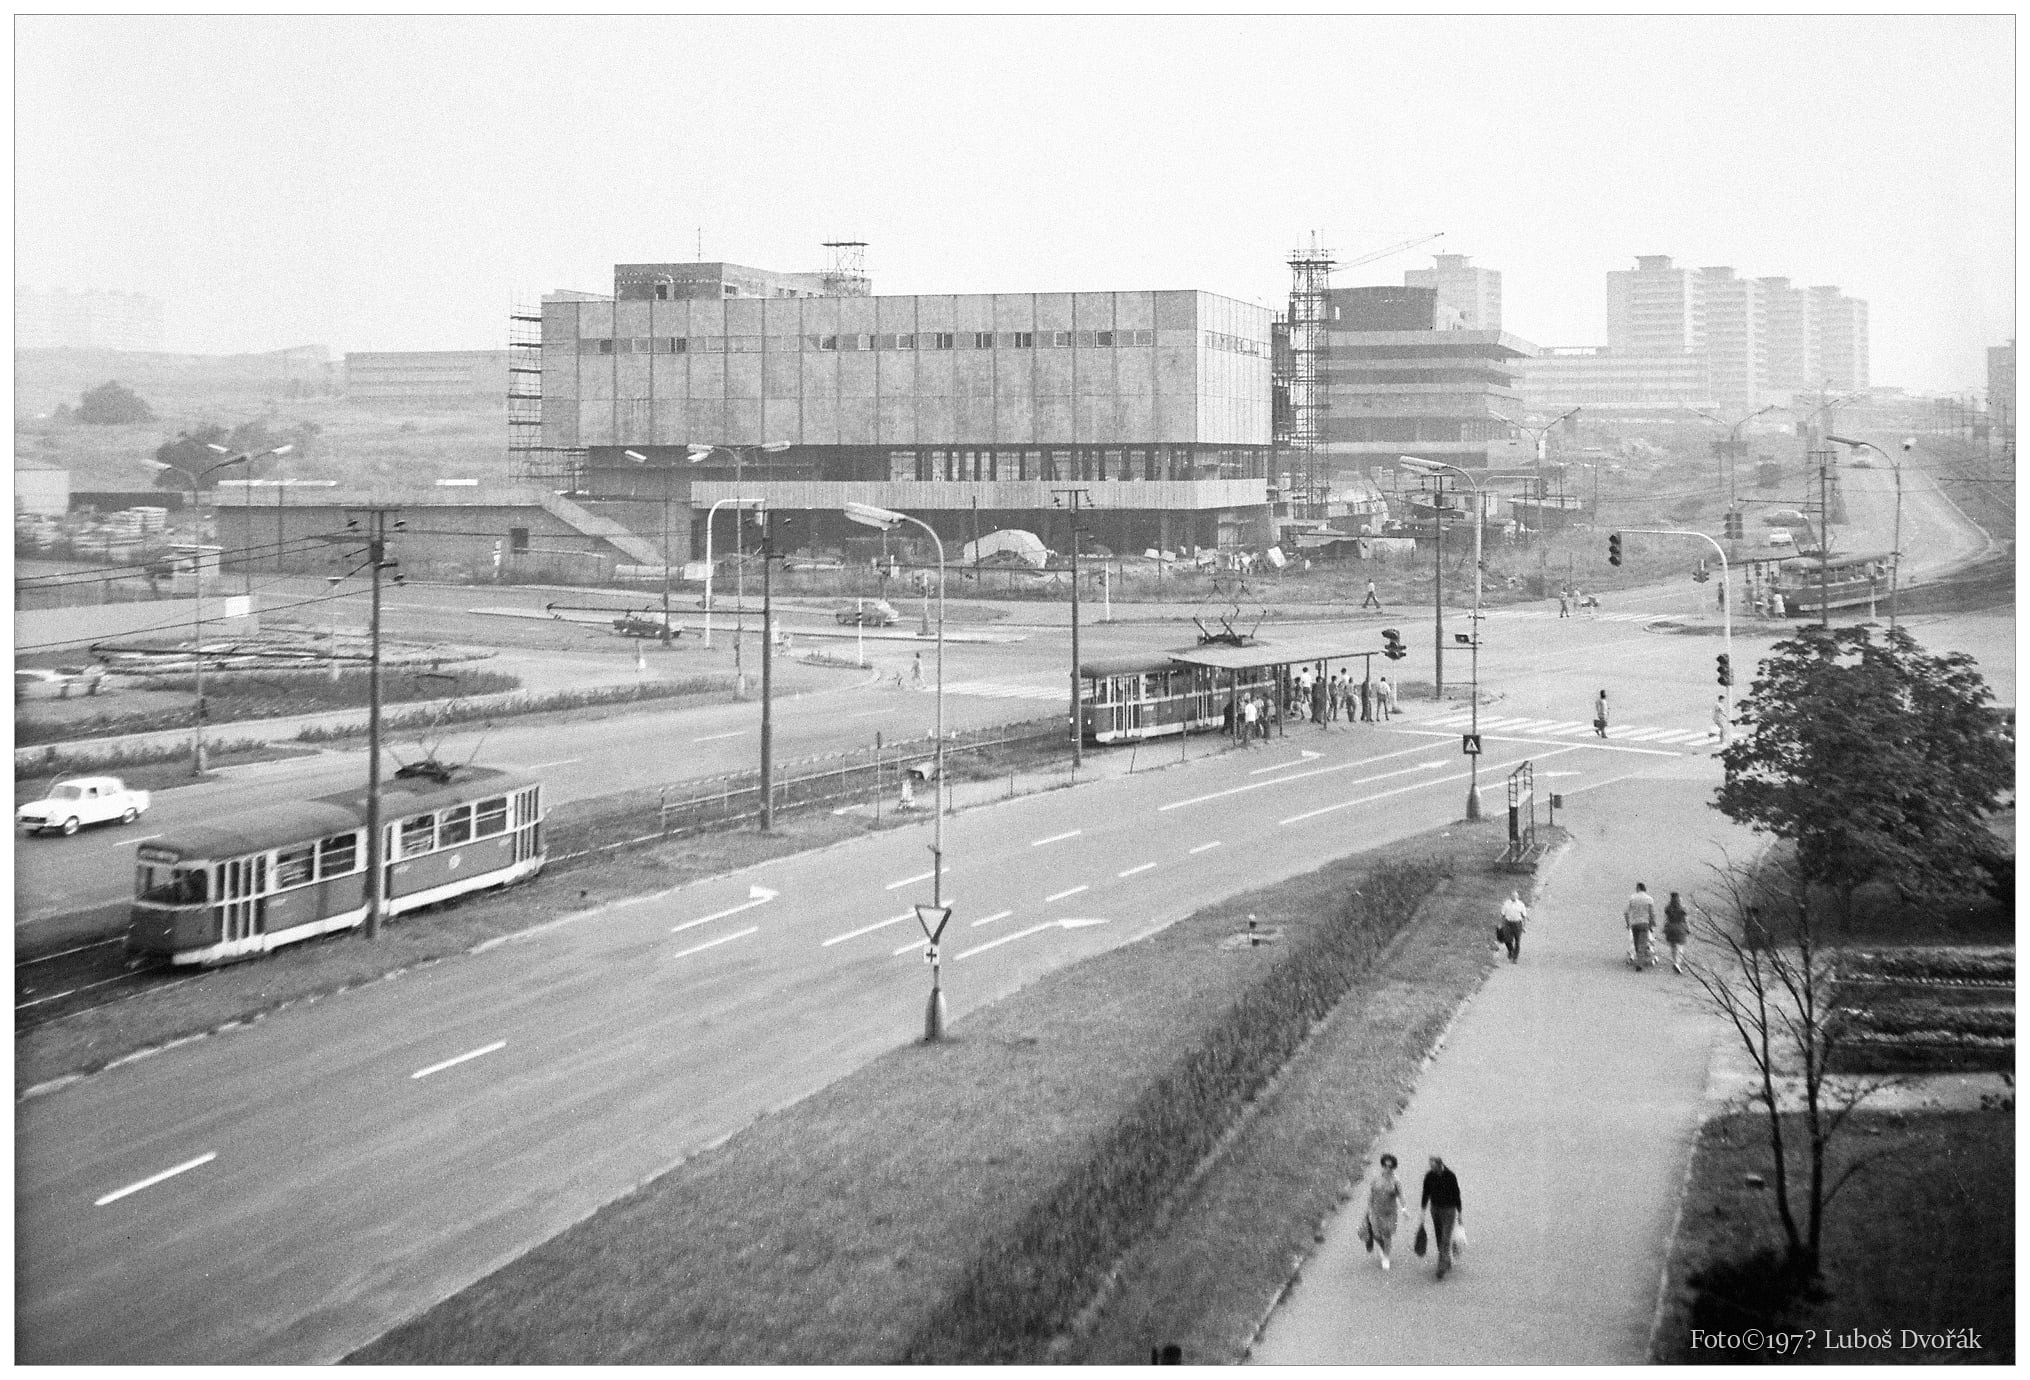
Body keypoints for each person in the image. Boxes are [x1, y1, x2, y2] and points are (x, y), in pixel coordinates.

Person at [1420, 1155, 1464, 1280]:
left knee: (1445, 1237)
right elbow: (1426, 1193)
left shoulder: (1450, 1176)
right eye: (1431, 1167)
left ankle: (1441, 1266)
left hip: (1449, 1210)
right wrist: (1423, 1210)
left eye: (1434, 1167)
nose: (1432, 1169)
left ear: (1440, 1165)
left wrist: (1459, 1212)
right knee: (1439, 1235)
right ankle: (1446, 1258)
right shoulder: (1429, 1176)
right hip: (1435, 1209)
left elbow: (1456, 1193)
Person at [1361, 1154, 1406, 1271]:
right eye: (1385, 1166)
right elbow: (1371, 1194)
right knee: (1375, 1234)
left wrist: (1404, 1209)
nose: (1387, 1168)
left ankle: (1386, 1257)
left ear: (1393, 1167)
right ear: (1382, 1165)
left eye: (1390, 1167)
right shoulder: (1376, 1178)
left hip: (1389, 1213)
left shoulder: (1395, 1181)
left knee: (1387, 1234)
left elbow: (1400, 1195)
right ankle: (1383, 1246)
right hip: (1376, 1211)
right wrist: (1368, 1209)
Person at [1625, 882, 1659, 969]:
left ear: (1638, 888)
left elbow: (1626, 912)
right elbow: (1652, 913)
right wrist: (1652, 924)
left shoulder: (1632, 898)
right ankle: (1639, 963)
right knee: (1642, 943)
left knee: (1636, 943)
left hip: (1634, 923)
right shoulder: (1649, 899)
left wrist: (1628, 923)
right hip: (1644, 923)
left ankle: (1638, 959)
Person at [1497, 888, 1528, 963]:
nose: (1513, 897)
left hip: (1517, 924)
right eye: (1512, 896)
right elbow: (1502, 914)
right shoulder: (1506, 904)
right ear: (1510, 896)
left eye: (1515, 896)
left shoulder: (1521, 905)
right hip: (1508, 923)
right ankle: (1510, 951)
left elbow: (1524, 916)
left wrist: (1524, 926)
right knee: (1507, 939)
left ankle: (1515, 957)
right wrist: (1501, 924)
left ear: (1517, 897)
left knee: (1517, 941)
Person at [1663, 891, 1691, 974]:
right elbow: (1686, 919)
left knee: (1673, 946)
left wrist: (1665, 928)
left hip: (1670, 928)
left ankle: (1674, 961)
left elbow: (1666, 919)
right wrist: (1688, 928)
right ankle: (1678, 962)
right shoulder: (1682, 908)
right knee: (1680, 946)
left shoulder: (1668, 908)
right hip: (1680, 928)